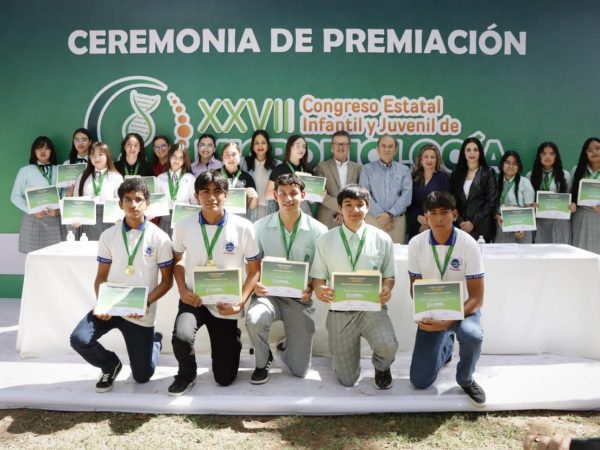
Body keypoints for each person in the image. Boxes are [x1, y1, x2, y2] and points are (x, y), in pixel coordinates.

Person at [69, 177, 173, 392]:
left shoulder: (160, 238)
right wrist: (102, 303)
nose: (133, 204)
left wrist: (147, 302)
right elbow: (101, 277)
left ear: (148, 203)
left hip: (140, 309)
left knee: (142, 376)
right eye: (128, 200)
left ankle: (154, 343)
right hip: (112, 304)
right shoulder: (108, 236)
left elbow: (167, 281)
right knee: (79, 339)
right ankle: (110, 365)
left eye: (138, 199)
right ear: (120, 204)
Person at [169, 170, 261, 395]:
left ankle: (232, 341)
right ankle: (186, 374)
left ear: (226, 195)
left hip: (226, 303)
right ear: (196, 195)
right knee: (181, 338)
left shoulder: (243, 227)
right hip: (194, 298)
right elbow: (177, 260)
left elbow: (254, 270)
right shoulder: (183, 225)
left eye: (218, 191)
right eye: (205, 191)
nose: (212, 197)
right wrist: (182, 290)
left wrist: (239, 302)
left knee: (224, 378)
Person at [311, 184, 398, 389]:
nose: (354, 210)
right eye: (348, 205)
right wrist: (319, 290)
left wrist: (387, 288)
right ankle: (348, 360)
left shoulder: (382, 239)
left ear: (368, 208)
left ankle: (382, 366)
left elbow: (389, 276)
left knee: (387, 346)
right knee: (346, 379)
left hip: (371, 310)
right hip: (340, 312)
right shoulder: (325, 240)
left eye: (360, 205)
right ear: (339, 208)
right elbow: (318, 277)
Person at [246, 174, 327, 384]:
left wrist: (310, 287)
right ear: (275, 195)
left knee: (300, 370)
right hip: (268, 295)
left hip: (299, 298)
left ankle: (286, 347)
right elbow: (252, 266)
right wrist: (256, 285)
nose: (288, 198)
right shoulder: (259, 227)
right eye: (283, 193)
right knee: (255, 318)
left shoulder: (319, 231)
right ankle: (263, 361)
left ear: (303, 195)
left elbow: (319, 270)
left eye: (293, 193)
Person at [407, 191, 485, 406]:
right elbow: (414, 288)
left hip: (463, 307)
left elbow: (477, 298)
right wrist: (426, 313)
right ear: (426, 216)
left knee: (472, 335)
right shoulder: (416, 243)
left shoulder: (468, 244)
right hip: (432, 309)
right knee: (420, 381)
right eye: (433, 213)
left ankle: (465, 378)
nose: (439, 218)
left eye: (444, 212)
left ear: (455, 214)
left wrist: (448, 320)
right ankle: (446, 347)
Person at [11, 136, 61, 253]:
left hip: (54, 218)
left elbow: (64, 195)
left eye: (46, 148)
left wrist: (59, 210)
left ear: (51, 151)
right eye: (39, 148)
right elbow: (15, 196)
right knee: (33, 258)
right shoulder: (25, 170)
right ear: (34, 151)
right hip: (32, 218)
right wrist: (31, 210)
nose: (43, 151)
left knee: (54, 257)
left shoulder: (59, 170)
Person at [359, 135, 412, 244]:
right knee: (372, 254)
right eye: (383, 146)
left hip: (396, 221)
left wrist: (389, 214)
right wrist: (380, 215)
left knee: (396, 255)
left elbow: (407, 196)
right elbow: (364, 194)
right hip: (373, 219)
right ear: (377, 149)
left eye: (390, 146)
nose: (387, 149)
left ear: (395, 149)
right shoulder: (367, 169)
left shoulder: (404, 170)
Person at [71, 142, 124, 240]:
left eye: (100, 155)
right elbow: (76, 199)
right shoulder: (83, 176)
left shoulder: (116, 177)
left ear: (107, 156)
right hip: (87, 220)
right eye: (93, 155)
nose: (96, 158)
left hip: (110, 221)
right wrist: (76, 218)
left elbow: (121, 201)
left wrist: (120, 218)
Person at [449, 137, 497, 242]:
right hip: (460, 227)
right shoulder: (456, 173)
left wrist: (473, 223)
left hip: (482, 228)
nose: (472, 153)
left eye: (475, 150)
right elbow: (451, 200)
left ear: (480, 152)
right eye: (468, 150)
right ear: (463, 153)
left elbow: (491, 202)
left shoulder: (488, 172)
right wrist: (461, 222)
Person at [314, 130, 362, 229]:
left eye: (344, 144)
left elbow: (361, 194)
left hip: (351, 218)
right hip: (327, 218)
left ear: (349, 147)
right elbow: (319, 193)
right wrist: (342, 209)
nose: (340, 147)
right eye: (337, 144)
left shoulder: (358, 168)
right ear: (332, 147)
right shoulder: (322, 167)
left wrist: (346, 210)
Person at [529, 142, 573, 244]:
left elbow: (569, 196)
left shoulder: (565, 175)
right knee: (541, 253)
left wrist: (571, 205)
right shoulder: (530, 175)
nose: (547, 157)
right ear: (539, 156)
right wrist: (532, 205)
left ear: (556, 156)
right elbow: (529, 201)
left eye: (551, 154)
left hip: (560, 221)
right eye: (544, 154)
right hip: (540, 221)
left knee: (560, 254)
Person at [407, 144, 450, 239]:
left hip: (437, 225)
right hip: (417, 224)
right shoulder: (413, 177)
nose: (429, 160)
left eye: (433, 157)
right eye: (426, 157)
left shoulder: (443, 177)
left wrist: (430, 220)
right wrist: (418, 218)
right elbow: (409, 202)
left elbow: (446, 204)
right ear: (421, 159)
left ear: (437, 160)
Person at [266, 134, 313, 216]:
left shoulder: (308, 170)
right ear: (290, 147)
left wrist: (318, 195)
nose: (301, 149)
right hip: (286, 212)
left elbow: (311, 200)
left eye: (304, 146)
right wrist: (286, 190)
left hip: (305, 213)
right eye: (298, 146)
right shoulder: (280, 169)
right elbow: (267, 195)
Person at [156, 143, 196, 236]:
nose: (176, 160)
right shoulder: (160, 178)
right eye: (174, 156)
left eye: (181, 157)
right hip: (165, 219)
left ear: (185, 160)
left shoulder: (190, 178)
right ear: (169, 156)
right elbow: (156, 203)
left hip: (184, 219)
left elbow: (195, 202)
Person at [495, 151, 535, 244]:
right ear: (502, 164)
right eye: (508, 162)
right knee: (502, 257)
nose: (511, 166)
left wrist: (522, 228)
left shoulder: (525, 182)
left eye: (514, 163)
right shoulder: (495, 181)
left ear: (519, 166)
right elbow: (491, 205)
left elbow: (529, 208)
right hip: (500, 225)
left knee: (522, 257)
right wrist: (496, 216)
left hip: (521, 227)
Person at [240, 130, 281, 221]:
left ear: (268, 145)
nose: (260, 146)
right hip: (251, 209)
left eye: (263, 142)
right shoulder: (244, 163)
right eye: (256, 143)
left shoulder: (277, 164)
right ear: (252, 146)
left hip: (270, 209)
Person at [571, 137, 600, 254]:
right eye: (589, 150)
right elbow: (572, 193)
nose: (594, 152)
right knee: (579, 249)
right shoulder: (577, 170)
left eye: (598, 148)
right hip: (581, 215)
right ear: (585, 154)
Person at [220, 142, 259, 221]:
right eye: (227, 155)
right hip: (219, 220)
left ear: (240, 156)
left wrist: (255, 197)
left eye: (234, 154)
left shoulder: (247, 177)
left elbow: (252, 206)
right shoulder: (215, 176)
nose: (231, 158)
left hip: (240, 221)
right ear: (222, 158)